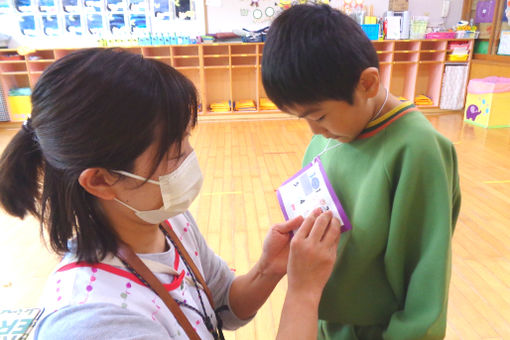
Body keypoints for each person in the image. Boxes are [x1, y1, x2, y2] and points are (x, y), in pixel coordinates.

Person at [0, 48, 341, 340]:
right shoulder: (93, 323)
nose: (190, 157)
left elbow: (221, 306)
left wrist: (268, 268)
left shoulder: (167, 220)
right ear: (101, 181)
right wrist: (303, 291)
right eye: (174, 151)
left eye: (185, 139)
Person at [262, 4, 461, 339]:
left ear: (367, 83)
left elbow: (424, 289)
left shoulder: (418, 150)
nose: (314, 131)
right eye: (303, 119)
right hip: (325, 324)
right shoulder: (326, 140)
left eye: (320, 116)